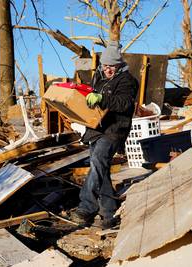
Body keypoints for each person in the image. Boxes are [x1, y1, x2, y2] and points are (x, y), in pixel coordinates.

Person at [71, 40, 138, 229]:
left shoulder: (128, 80)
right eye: (105, 66)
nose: (108, 70)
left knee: (97, 162)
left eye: (112, 67)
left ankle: (86, 207)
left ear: (119, 65)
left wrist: (102, 97)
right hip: (96, 129)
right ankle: (109, 213)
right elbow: (91, 100)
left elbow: (124, 103)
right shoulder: (98, 77)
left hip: (115, 129)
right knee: (102, 169)